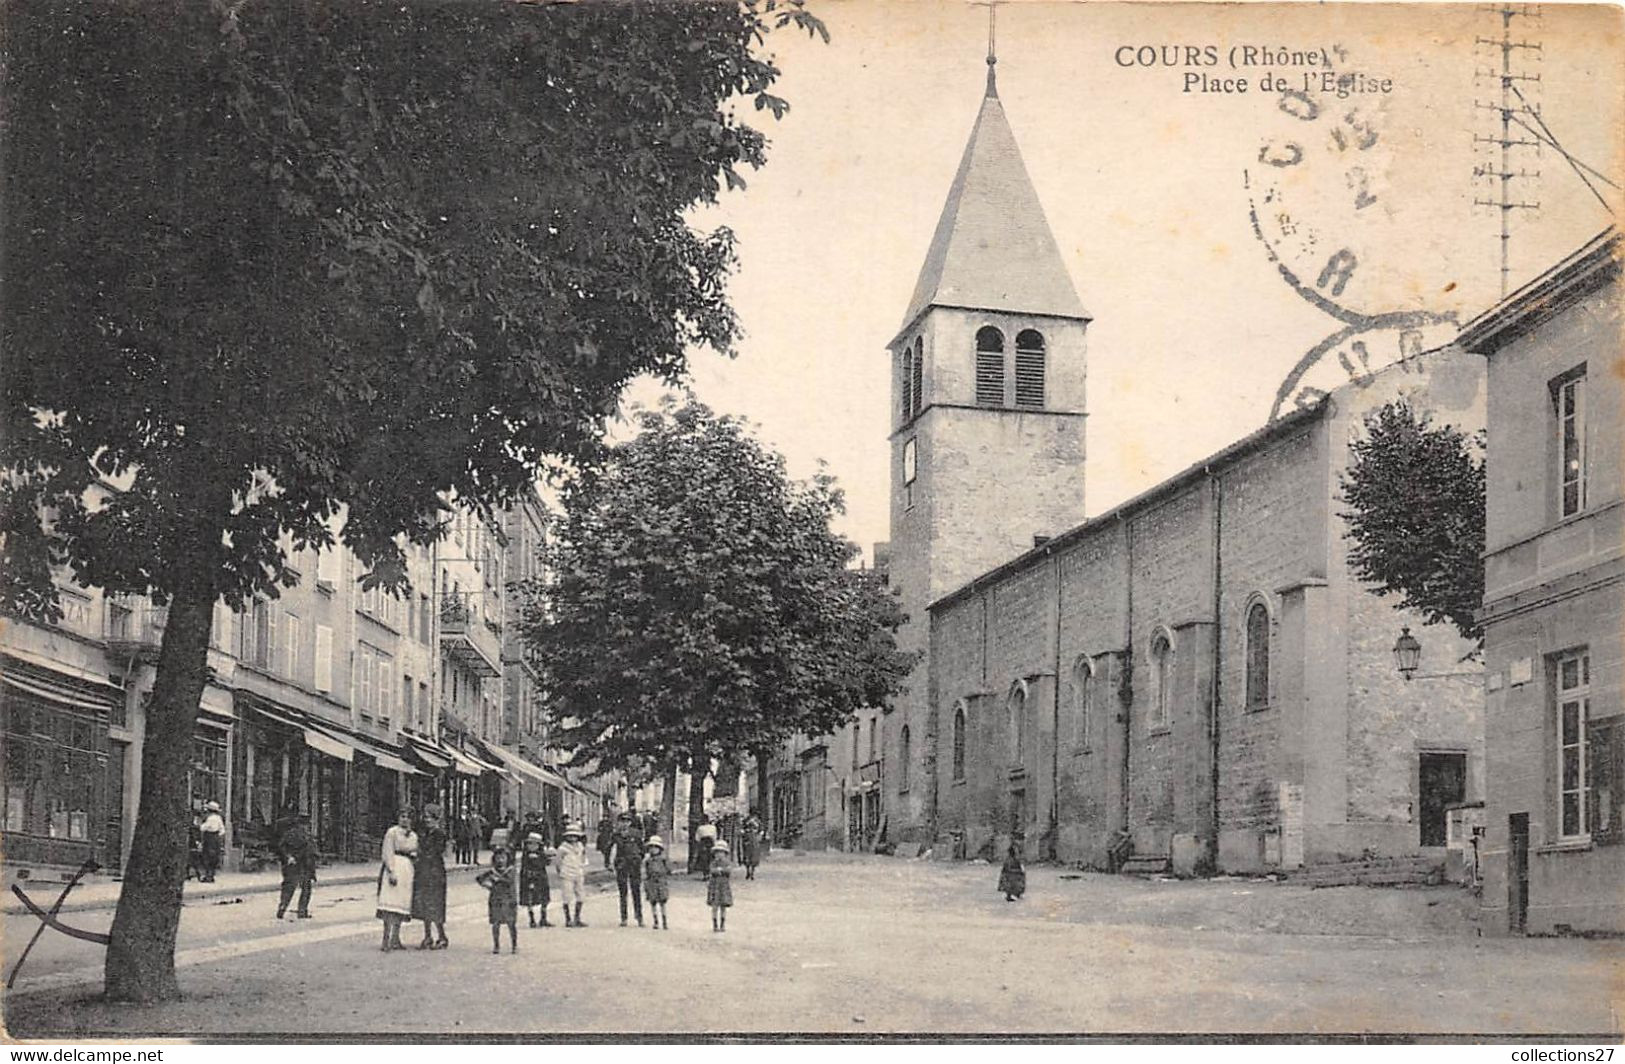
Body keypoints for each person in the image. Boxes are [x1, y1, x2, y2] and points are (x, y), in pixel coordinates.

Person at [375, 808, 418, 951]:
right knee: (389, 903)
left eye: (408, 817)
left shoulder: (413, 836)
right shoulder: (392, 832)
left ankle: (396, 938)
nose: (405, 819)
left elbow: (416, 852)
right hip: (394, 866)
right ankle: (385, 938)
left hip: (407, 870)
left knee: (401, 904)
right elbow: (387, 851)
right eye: (402, 816)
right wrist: (391, 870)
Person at [412, 803, 450, 950]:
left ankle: (442, 936)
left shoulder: (439, 834)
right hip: (423, 871)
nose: (426, 820)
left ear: (436, 819)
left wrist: (420, 855)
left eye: (429, 817)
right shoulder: (424, 833)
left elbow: (436, 851)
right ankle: (427, 936)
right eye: (425, 817)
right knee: (424, 904)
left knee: (435, 904)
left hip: (435, 872)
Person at [476, 845, 520, 954]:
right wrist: (487, 885)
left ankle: (514, 945)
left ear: (507, 859)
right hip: (495, 898)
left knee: (511, 923)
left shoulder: (511, 870)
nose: (500, 860)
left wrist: (496, 879)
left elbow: (508, 881)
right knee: (496, 923)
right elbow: (479, 878)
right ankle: (496, 945)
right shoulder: (492, 871)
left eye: (503, 858)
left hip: (509, 899)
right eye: (498, 858)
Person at [275, 811, 317, 920]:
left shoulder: (289, 833)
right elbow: (310, 851)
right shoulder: (306, 836)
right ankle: (302, 911)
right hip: (303, 865)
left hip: (292, 865)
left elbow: (281, 847)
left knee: (289, 887)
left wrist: (288, 857)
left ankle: (283, 907)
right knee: (305, 889)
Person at [611, 811, 645, 928]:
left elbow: (642, 848)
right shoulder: (616, 835)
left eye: (627, 821)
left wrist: (639, 858)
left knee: (636, 891)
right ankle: (624, 918)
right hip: (621, 865)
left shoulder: (636, 834)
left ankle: (639, 917)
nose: (625, 824)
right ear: (619, 822)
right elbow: (609, 849)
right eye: (622, 821)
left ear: (630, 822)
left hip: (634, 865)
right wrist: (611, 863)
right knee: (623, 892)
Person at [555, 821, 590, 928]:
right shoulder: (563, 848)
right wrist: (560, 871)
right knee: (567, 895)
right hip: (567, 873)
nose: (572, 838)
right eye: (570, 836)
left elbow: (583, 858)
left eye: (575, 836)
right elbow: (558, 861)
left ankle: (577, 918)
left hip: (578, 872)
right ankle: (568, 919)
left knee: (580, 895)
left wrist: (583, 867)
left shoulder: (580, 846)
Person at [518, 831, 553, 928]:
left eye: (534, 844)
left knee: (544, 897)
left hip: (541, 877)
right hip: (530, 878)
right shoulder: (526, 855)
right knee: (530, 899)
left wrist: (548, 858)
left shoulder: (541, 854)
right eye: (529, 844)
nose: (531, 846)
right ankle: (532, 919)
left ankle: (543, 918)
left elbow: (546, 863)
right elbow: (524, 867)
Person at [643, 835, 671, 930]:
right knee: (653, 902)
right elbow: (645, 871)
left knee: (662, 902)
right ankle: (655, 921)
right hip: (651, 882)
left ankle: (664, 921)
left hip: (661, 882)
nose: (653, 849)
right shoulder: (648, 860)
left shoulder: (663, 860)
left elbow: (668, 870)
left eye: (656, 847)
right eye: (651, 847)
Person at [707, 838, 734, 933]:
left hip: (723, 886)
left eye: (721, 852)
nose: (719, 855)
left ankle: (722, 924)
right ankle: (715, 924)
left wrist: (720, 870)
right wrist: (718, 870)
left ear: (725, 853)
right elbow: (711, 870)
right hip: (715, 886)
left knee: (723, 906)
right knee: (715, 906)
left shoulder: (727, 863)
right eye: (717, 852)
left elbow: (729, 871)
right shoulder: (713, 863)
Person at [199, 800, 226, 883]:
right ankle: (212, 875)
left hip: (209, 838)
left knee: (207, 856)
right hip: (216, 838)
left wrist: (200, 825)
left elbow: (203, 828)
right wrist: (217, 836)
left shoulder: (210, 819)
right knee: (214, 857)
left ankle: (208, 875)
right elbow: (222, 830)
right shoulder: (218, 818)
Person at [740, 814, 762, 881]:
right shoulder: (747, 821)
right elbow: (742, 831)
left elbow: (761, 832)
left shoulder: (757, 822)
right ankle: (749, 872)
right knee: (749, 857)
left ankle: (751, 872)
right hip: (750, 841)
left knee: (751, 857)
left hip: (752, 841)